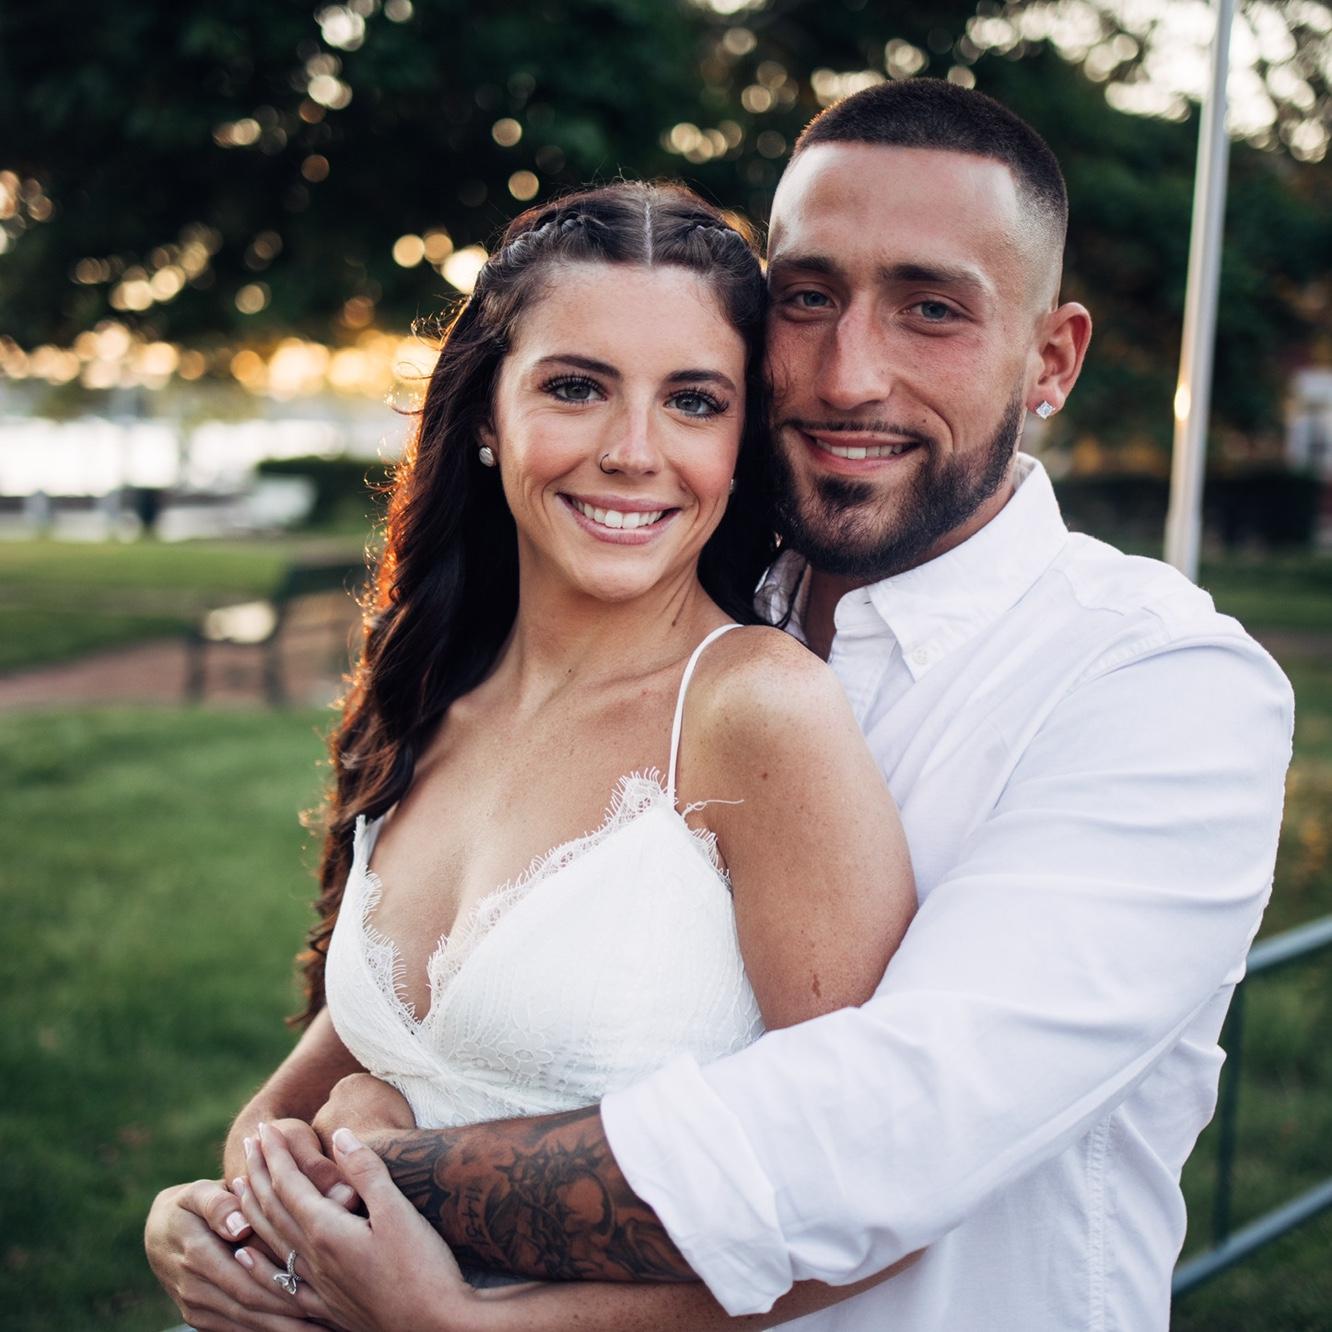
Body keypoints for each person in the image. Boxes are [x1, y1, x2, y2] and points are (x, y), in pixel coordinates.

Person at [149, 80, 1294, 1332]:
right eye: (808, 297)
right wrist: (221, 1203)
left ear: (1052, 359)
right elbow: (382, 1044)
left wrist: (385, 1174)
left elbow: (880, 1136)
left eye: (932, 309)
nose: (849, 375)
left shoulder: (1157, 684)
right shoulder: (660, 605)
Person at [146, 181, 921, 1331]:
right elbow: (315, 1095)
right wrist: (193, 1219)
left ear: (738, 441)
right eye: (575, 387)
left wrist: (472, 1328)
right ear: (485, 416)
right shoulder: (439, 695)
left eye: (693, 402)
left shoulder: (755, 712)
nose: (633, 452)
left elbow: (871, 1205)